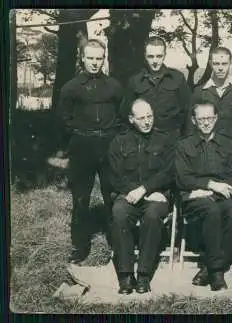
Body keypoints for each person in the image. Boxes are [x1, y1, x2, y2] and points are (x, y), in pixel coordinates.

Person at [57, 39, 123, 264]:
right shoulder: (71, 87)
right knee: (81, 198)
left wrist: (113, 137)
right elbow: (64, 120)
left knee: (112, 196)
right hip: (82, 148)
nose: (95, 63)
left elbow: (122, 116)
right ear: (82, 58)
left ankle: (117, 243)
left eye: (99, 58)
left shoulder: (114, 86)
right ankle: (80, 246)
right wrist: (78, 136)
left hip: (108, 146)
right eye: (91, 58)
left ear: (103, 59)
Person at [108, 99, 176, 294]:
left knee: (153, 216)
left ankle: (144, 275)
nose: (147, 122)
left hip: (157, 195)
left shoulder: (165, 140)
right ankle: (126, 274)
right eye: (141, 118)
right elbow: (114, 175)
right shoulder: (119, 141)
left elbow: (168, 172)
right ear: (131, 119)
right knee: (119, 213)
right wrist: (135, 191)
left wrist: (145, 189)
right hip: (128, 195)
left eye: (150, 116)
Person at [175, 100, 232, 291]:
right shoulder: (183, 145)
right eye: (201, 118)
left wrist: (214, 189)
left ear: (216, 118)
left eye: (210, 118)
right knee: (211, 211)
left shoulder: (228, 144)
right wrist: (210, 185)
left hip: (223, 195)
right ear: (194, 121)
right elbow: (182, 177)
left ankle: (211, 267)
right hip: (195, 198)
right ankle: (217, 274)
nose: (206, 122)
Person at [186, 47, 232, 169]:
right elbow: (190, 125)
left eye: (224, 63)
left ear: (230, 63)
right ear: (210, 64)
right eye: (216, 63)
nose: (220, 68)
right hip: (207, 153)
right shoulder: (200, 92)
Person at [121, 36, 191, 137]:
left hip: (172, 138)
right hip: (145, 139)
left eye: (159, 56)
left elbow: (187, 111)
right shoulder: (135, 81)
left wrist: (186, 139)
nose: (155, 61)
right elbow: (126, 114)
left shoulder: (177, 78)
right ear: (145, 56)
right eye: (151, 56)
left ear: (164, 55)